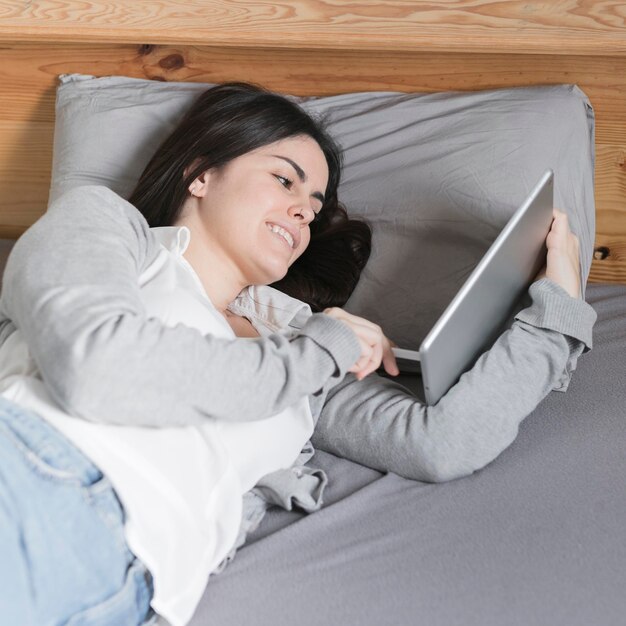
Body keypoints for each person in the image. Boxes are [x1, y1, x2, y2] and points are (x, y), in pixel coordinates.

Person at [0, 83, 596, 626]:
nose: (302, 212)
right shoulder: (107, 228)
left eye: (313, 206)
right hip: (31, 468)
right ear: (201, 174)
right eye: (285, 181)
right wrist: (321, 348)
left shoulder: (304, 352)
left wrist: (559, 307)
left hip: (127, 587)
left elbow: (441, 443)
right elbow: (96, 369)